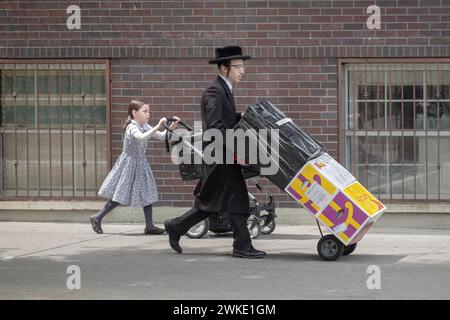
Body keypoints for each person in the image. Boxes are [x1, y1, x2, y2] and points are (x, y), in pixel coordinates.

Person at [164, 45, 266, 258]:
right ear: (223, 67)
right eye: (237, 66)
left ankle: (177, 227)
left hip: (224, 156)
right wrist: (236, 142)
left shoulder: (226, 89)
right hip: (220, 157)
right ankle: (241, 245)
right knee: (232, 200)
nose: (242, 70)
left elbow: (224, 121)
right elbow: (214, 127)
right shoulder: (214, 91)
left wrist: (241, 117)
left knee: (213, 203)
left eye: (242, 66)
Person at [90, 98, 180, 235]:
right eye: (145, 111)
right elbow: (141, 137)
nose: (148, 114)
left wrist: (172, 126)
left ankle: (149, 226)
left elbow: (162, 136)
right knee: (120, 194)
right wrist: (158, 125)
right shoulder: (132, 127)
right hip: (128, 164)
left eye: (148, 111)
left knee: (147, 192)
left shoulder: (145, 125)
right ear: (134, 113)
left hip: (141, 163)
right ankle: (98, 217)